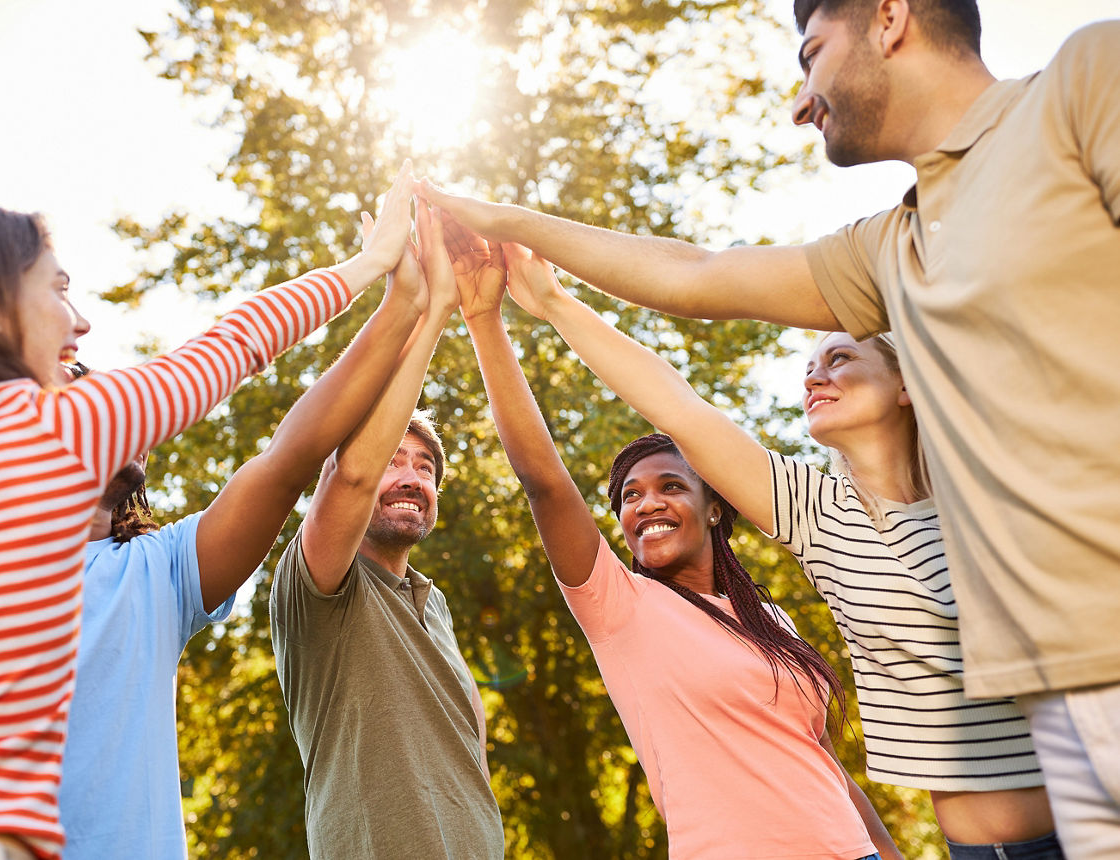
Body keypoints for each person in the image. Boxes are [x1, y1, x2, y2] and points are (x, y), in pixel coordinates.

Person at [418, 4, 1120, 853]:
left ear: (889, 17)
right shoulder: (890, 260)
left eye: (812, 53)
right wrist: (517, 244)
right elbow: (696, 287)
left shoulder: (1083, 85)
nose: (802, 98)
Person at [0, 166, 415, 859]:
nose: (79, 322)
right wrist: (375, 261)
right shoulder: (56, 429)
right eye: (57, 289)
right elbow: (236, 344)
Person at [491, 234, 1063, 858]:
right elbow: (655, 415)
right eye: (628, 495)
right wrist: (548, 300)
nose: (815, 373)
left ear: (909, 384)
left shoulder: (983, 497)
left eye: (840, 357)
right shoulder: (819, 516)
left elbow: (815, 757)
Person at [448, 226, 897, 859]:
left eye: (670, 486)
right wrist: (483, 319)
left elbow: (817, 758)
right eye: (630, 496)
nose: (647, 503)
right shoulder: (619, 605)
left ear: (714, 507)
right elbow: (543, 482)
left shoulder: (768, 618)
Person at [58, 237, 426, 860]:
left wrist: (404, 304)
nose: (110, 405)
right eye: (75, 386)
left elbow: (290, 461)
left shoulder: (159, 575)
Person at [268, 205, 504, 859]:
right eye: (392, 460)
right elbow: (349, 481)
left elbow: (470, 756)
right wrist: (430, 309)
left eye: (425, 467)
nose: (411, 477)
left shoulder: (438, 607)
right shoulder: (318, 584)